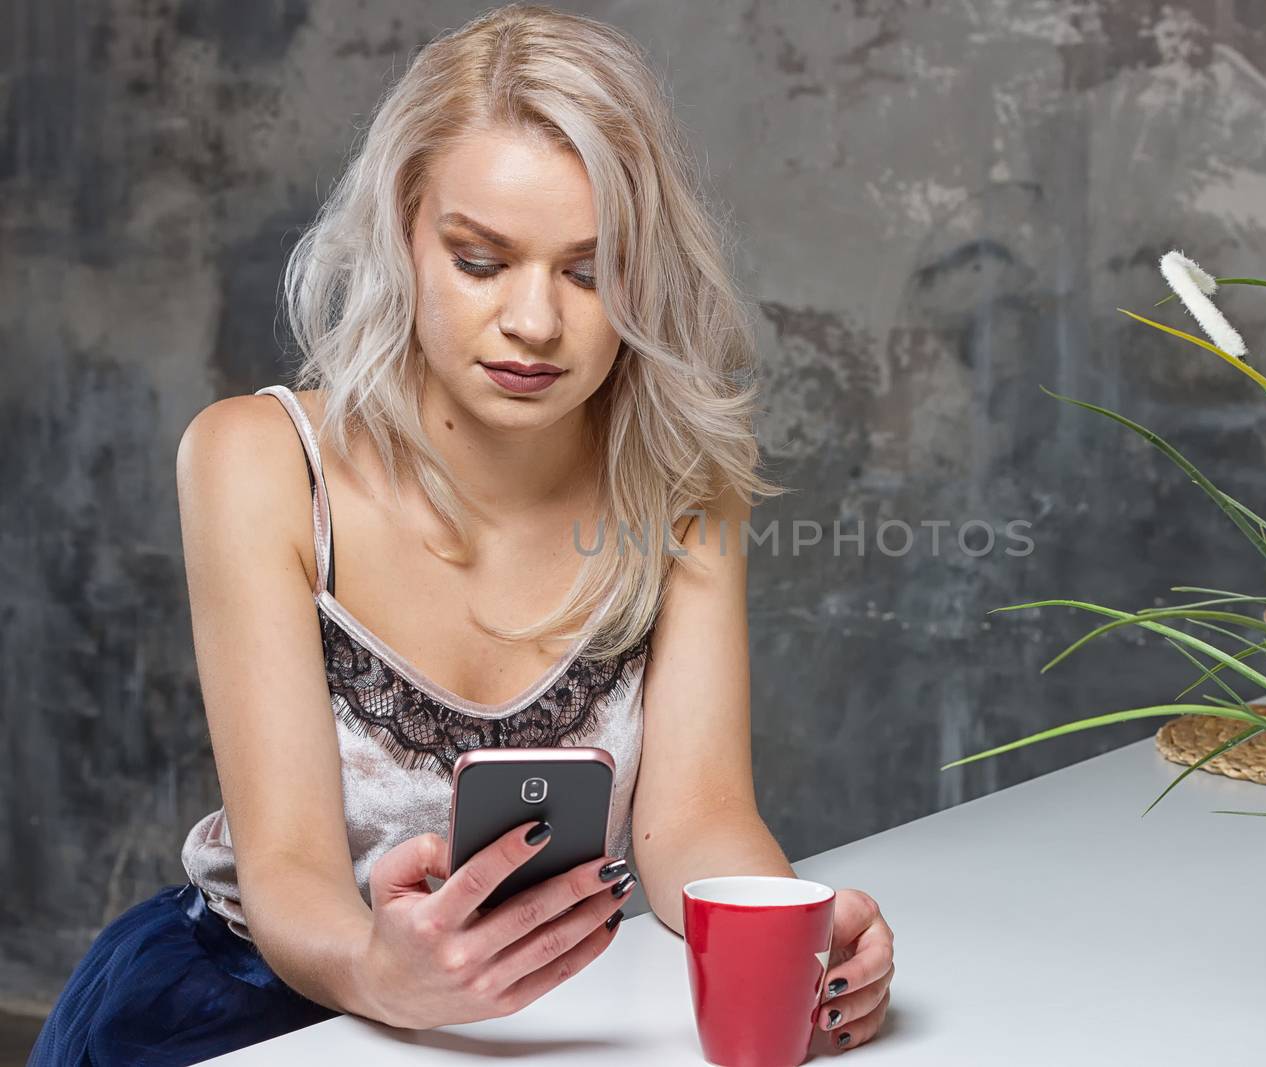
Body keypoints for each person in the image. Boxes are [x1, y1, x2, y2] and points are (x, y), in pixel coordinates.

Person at [29, 5, 895, 1063]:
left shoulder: (685, 486)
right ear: (404, 233)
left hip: (552, 1006)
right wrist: (379, 970)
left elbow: (696, 822)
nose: (535, 321)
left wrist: (795, 931)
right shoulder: (255, 459)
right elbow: (291, 862)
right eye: (482, 259)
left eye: (589, 269)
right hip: (241, 1001)